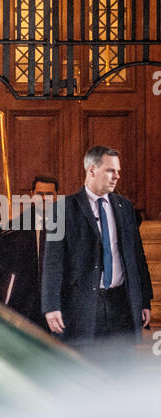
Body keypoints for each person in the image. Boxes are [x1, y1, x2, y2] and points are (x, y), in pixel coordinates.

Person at [42, 146, 153, 348]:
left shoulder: (125, 207)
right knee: (85, 368)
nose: (117, 176)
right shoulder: (63, 208)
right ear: (92, 170)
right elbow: (53, 262)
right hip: (82, 305)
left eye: (118, 171)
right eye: (111, 170)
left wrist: (144, 300)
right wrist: (51, 305)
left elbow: (137, 257)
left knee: (122, 369)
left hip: (121, 304)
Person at [0, 175, 58, 330]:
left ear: (57, 196)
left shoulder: (69, 224)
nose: (44, 198)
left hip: (59, 302)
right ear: (32, 194)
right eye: (39, 194)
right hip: (27, 303)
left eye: (49, 194)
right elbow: (4, 261)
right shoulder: (16, 226)